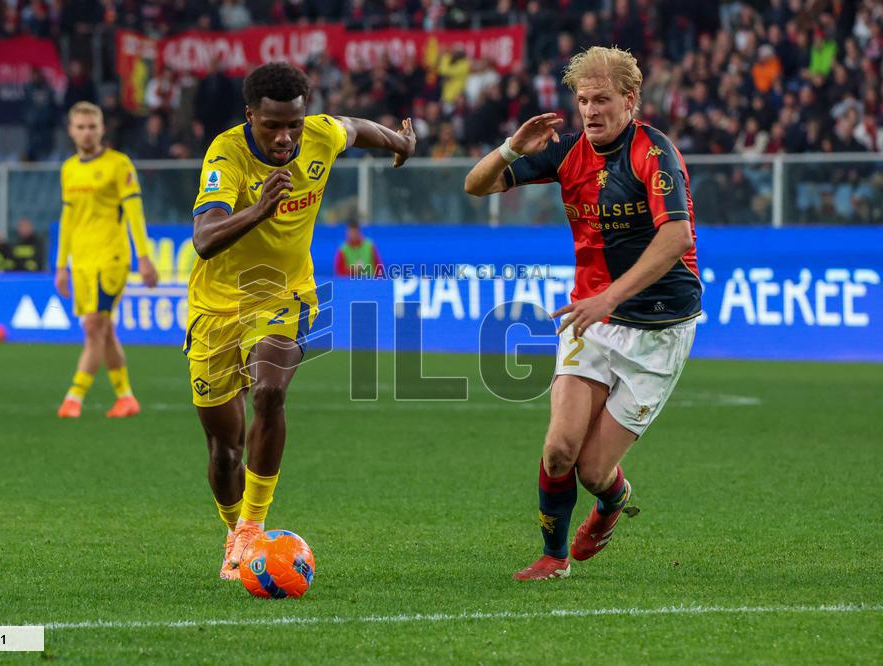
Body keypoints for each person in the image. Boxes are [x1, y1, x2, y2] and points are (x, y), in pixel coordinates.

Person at [464, 46, 700, 581]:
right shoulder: (566, 151)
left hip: (659, 326)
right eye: (582, 100)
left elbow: (676, 236)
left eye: (602, 100)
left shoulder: (654, 153)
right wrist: (508, 149)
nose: (590, 111)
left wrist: (611, 297)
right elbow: (474, 186)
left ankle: (612, 502)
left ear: (631, 100)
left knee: (595, 471)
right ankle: (554, 556)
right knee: (558, 450)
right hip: (591, 316)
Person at [188, 62, 414, 580]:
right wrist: (258, 211)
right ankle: (234, 532)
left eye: (294, 122)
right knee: (225, 448)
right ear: (251, 116)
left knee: (269, 392)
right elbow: (204, 239)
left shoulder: (319, 135)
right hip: (216, 304)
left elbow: (357, 129)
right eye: (272, 125)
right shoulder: (226, 154)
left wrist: (401, 145)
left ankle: (252, 526)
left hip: (284, 294)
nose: (285, 136)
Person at [54, 101, 158, 419]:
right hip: (81, 261)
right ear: (71, 131)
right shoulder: (69, 169)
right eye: (81, 127)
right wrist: (61, 265)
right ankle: (125, 397)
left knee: (93, 327)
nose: (87, 133)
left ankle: (75, 396)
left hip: (111, 258)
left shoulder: (119, 165)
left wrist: (144, 256)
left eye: (92, 126)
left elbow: (134, 213)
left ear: (102, 129)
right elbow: (68, 219)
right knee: (105, 330)